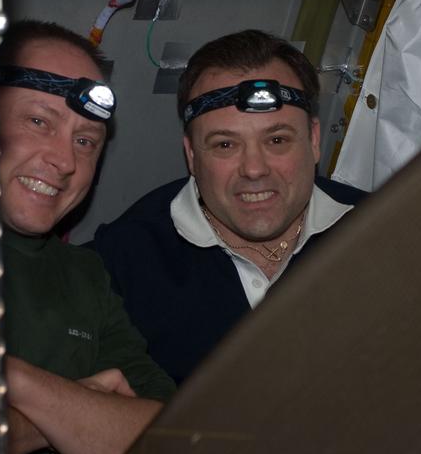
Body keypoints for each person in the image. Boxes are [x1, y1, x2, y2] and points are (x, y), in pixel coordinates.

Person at [0, 20, 175, 454]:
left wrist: (13, 381)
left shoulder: (83, 277)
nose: (65, 160)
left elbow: (161, 450)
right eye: (39, 121)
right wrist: (74, 412)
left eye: (85, 141)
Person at [92, 30, 364, 386]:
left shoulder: (390, 230)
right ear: (191, 155)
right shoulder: (119, 267)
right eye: (225, 145)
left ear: (314, 141)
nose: (254, 169)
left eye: (277, 140)